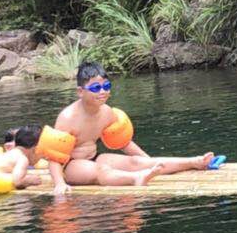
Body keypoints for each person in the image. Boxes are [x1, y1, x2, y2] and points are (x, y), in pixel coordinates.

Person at [44, 63, 218, 197]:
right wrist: (59, 183)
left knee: (135, 162)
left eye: (106, 86)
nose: (103, 92)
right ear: (80, 92)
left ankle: (194, 162)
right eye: (96, 88)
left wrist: (151, 162)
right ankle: (136, 178)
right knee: (102, 171)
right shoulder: (68, 118)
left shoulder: (106, 112)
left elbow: (124, 143)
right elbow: (55, 157)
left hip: (94, 158)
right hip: (70, 166)